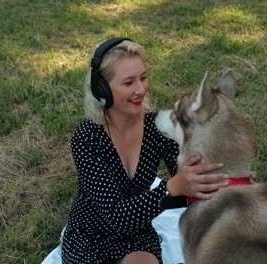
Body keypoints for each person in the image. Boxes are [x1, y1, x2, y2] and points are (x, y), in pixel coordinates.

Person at [61, 38, 230, 264]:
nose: (140, 89)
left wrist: (230, 183)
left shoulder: (156, 127)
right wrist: (171, 188)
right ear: (102, 89)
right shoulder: (87, 137)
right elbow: (117, 216)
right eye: (129, 82)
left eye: (143, 77)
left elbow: (191, 176)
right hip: (90, 236)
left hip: (136, 233)